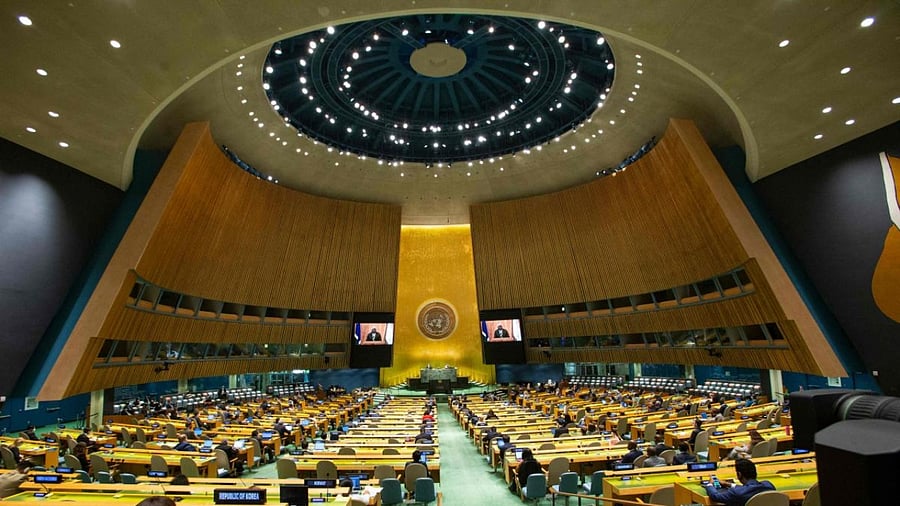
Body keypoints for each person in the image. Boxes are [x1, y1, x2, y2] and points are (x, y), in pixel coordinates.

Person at [705, 458, 775, 505]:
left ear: (739, 474)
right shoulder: (769, 485)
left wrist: (710, 484)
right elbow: (749, 488)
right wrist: (729, 484)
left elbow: (715, 496)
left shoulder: (736, 493)